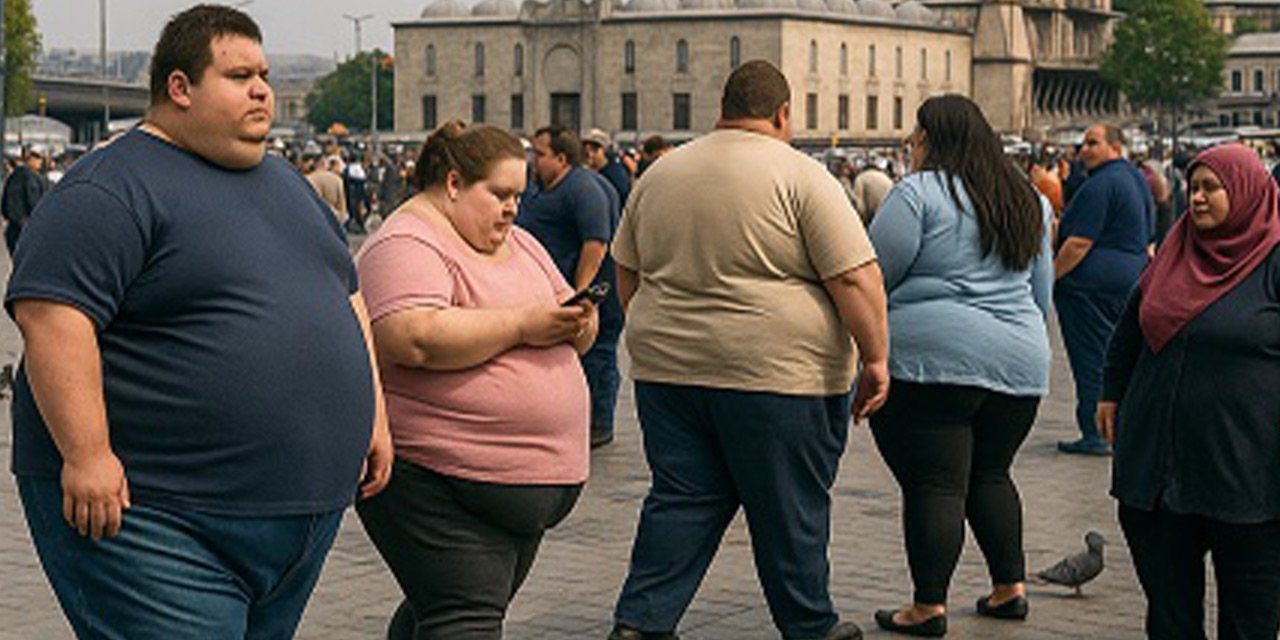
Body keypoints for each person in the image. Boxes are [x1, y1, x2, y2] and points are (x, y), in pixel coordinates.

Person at [5, 6, 392, 638]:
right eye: (239, 75)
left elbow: (345, 294)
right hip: (159, 520)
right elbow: (53, 314)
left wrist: (373, 415)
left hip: (295, 519)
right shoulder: (109, 187)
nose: (263, 88)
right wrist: (87, 453)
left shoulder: (288, 185)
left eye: (264, 73)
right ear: (179, 88)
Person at [608, 60, 888, 640]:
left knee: (682, 497)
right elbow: (855, 279)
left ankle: (641, 622)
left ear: (721, 108)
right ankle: (809, 625)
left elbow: (626, 271)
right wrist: (876, 357)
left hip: (668, 373)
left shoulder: (660, 174)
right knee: (790, 507)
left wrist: (654, 329)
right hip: (777, 375)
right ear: (784, 113)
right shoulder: (803, 176)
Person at [355, 121, 597, 640]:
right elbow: (412, 336)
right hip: (434, 476)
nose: (514, 208)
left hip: (517, 484)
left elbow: (566, 317)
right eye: (501, 194)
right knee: (463, 616)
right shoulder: (405, 242)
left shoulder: (523, 243)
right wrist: (522, 325)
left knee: (445, 611)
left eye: (519, 194)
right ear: (454, 184)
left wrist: (579, 321)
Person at [866, 95, 1053, 637]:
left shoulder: (917, 194)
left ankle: (927, 606)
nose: (912, 147)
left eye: (916, 138)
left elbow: (875, 278)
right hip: (1019, 364)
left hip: (932, 364)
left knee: (935, 484)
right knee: (991, 473)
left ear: (934, 140)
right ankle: (1009, 588)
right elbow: (1041, 295)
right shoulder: (1029, 200)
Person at [1100, 143, 1280, 640]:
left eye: (1210, 188)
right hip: (1162, 472)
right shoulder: (1174, 252)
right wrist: (1110, 393)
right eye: (1193, 187)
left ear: (1245, 192)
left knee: (1250, 618)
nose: (1196, 198)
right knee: (1170, 616)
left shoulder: (1273, 260)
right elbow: (1130, 330)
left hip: (1248, 476)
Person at [518, 125, 622, 447]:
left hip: (592, 296)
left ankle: (599, 423)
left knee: (598, 358)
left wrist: (582, 296)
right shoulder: (548, 187)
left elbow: (596, 243)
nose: (534, 160)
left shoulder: (582, 188)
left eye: (540, 154)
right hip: (560, 293)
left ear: (561, 158)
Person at [1053, 124, 1153, 455]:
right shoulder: (1136, 179)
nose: (1084, 150)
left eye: (1093, 143)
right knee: (1120, 354)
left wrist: (1050, 276)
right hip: (1131, 277)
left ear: (1115, 147)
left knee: (1092, 356)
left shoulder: (1100, 185)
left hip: (1091, 287)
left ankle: (1095, 431)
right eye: (1083, 144)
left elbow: (1079, 242)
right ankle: (1122, 426)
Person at [2, 148, 50, 255]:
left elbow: (4, 201)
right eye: (37, 158)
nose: (40, 162)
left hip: (14, 227)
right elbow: (34, 202)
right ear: (30, 160)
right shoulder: (32, 178)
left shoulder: (14, 176)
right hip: (27, 227)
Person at [583, 127, 632, 205]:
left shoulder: (617, 174)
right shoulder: (583, 173)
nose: (590, 154)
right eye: (585, 149)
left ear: (604, 150)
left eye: (594, 149)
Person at [306, 153, 349, 225]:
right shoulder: (337, 180)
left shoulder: (308, 178)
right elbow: (342, 204)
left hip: (314, 217)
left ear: (315, 164)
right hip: (333, 218)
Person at [851, 159, 894, 225]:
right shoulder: (886, 178)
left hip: (872, 220)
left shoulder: (860, 178)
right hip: (888, 216)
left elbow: (859, 206)